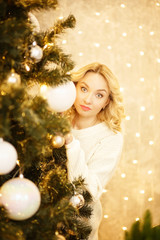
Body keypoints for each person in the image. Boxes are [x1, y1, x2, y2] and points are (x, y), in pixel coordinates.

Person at [65, 62, 125, 240]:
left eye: (99, 95)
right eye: (84, 89)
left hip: (78, 224)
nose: (88, 100)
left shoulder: (111, 138)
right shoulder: (58, 117)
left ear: (107, 101)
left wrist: (70, 143)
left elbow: (88, 190)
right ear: (74, 86)